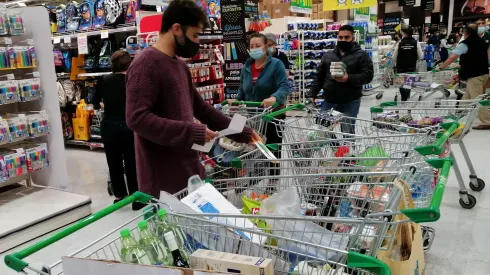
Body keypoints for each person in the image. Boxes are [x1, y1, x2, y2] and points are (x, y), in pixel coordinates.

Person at [125, 0, 260, 196]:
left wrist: (242, 131)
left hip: (188, 173)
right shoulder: (145, 64)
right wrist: (191, 131)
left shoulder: (179, 65)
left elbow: (201, 108)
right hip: (163, 185)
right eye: (195, 35)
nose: (198, 42)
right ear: (177, 28)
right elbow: (136, 118)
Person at [93, 50, 143, 210]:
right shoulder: (133, 80)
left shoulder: (104, 80)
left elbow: (95, 102)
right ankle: (137, 199)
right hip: (128, 125)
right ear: (130, 64)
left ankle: (119, 197)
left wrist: (106, 104)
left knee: (113, 163)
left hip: (108, 125)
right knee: (131, 163)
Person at [307, 24, 374, 134]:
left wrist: (349, 78)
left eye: (346, 37)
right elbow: (319, 76)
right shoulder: (328, 55)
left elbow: (368, 76)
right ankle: (336, 149)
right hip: (330, 100)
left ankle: (348, 151)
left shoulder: (362, 55)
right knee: (322, 130)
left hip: (350, 100)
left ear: (353, 38)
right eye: (340, 37)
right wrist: (312, 93)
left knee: (347, 132)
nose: (343, 40)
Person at [231, 32, 290, 145]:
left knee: (271, 154)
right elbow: (242, 89)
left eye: (258, 46)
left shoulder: (277, 64)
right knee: (252, 153)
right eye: (251, 46)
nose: (254, 49)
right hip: (252, 118)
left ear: (266, 47)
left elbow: (284, 86)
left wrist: (274, 97)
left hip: (272, 117)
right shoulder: (246, 67)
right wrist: (236, 100)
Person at [438, 26, 490, 130]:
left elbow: (453, 57)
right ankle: (459, 117)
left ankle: (487, 121)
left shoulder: (465, 44)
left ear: (466, 33)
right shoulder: (482, 42)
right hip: (484, 74)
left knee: (477, 99)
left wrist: (441, 67)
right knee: (466, 97)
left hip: (475, 75)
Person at [392, 28, 424, 101]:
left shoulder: (400, 43)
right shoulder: (416, 43)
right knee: (408, 82)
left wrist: (394, 65)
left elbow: (394, 57)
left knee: (401, 82)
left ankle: (404, 97)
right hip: (412, 67)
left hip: (401, 68)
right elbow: (421, 56)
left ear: (405, 34)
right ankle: (406, 97)